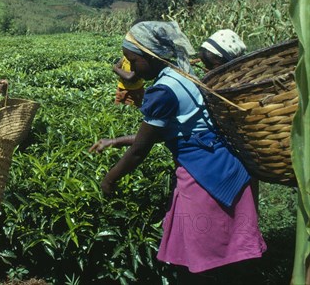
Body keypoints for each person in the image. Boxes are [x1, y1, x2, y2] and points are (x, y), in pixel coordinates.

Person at [89, 21, 266, 284]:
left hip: (206, 175)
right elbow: (174, 129)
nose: (132, 69)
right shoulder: (181, 72)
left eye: (134, 61)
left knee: (202, 259)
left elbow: (141, 149)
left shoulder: (162, 92)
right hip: (228, 164)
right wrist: (115, 141)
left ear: (150, 56)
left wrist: (109, 180)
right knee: (227, 254)